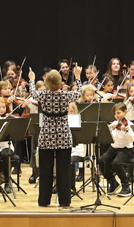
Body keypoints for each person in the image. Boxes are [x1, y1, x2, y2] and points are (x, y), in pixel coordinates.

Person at [29, 68, 82, 207]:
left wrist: (32, 79)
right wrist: (78, 77)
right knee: (64, 170)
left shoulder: (42, 95)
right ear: (60, 83)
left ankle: (44, 201)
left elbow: (32, 92)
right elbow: (79, 93)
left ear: (46, 83)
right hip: (63, 136)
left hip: (46, 136)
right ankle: (64, 200)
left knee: (45, 170)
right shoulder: (66, 95)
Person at [99, 103, 134, 196]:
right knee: (102, 161)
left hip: (126, 150)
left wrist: (125, 130)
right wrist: (110, 129)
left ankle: (126, 185)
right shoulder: (115, 124)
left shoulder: (129, 124)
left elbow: (132, 139)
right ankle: (112, 182)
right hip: (114, 148)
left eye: (119, 113)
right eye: (115, 114)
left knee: (116, 163)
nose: (117, 115)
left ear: (125, 112)